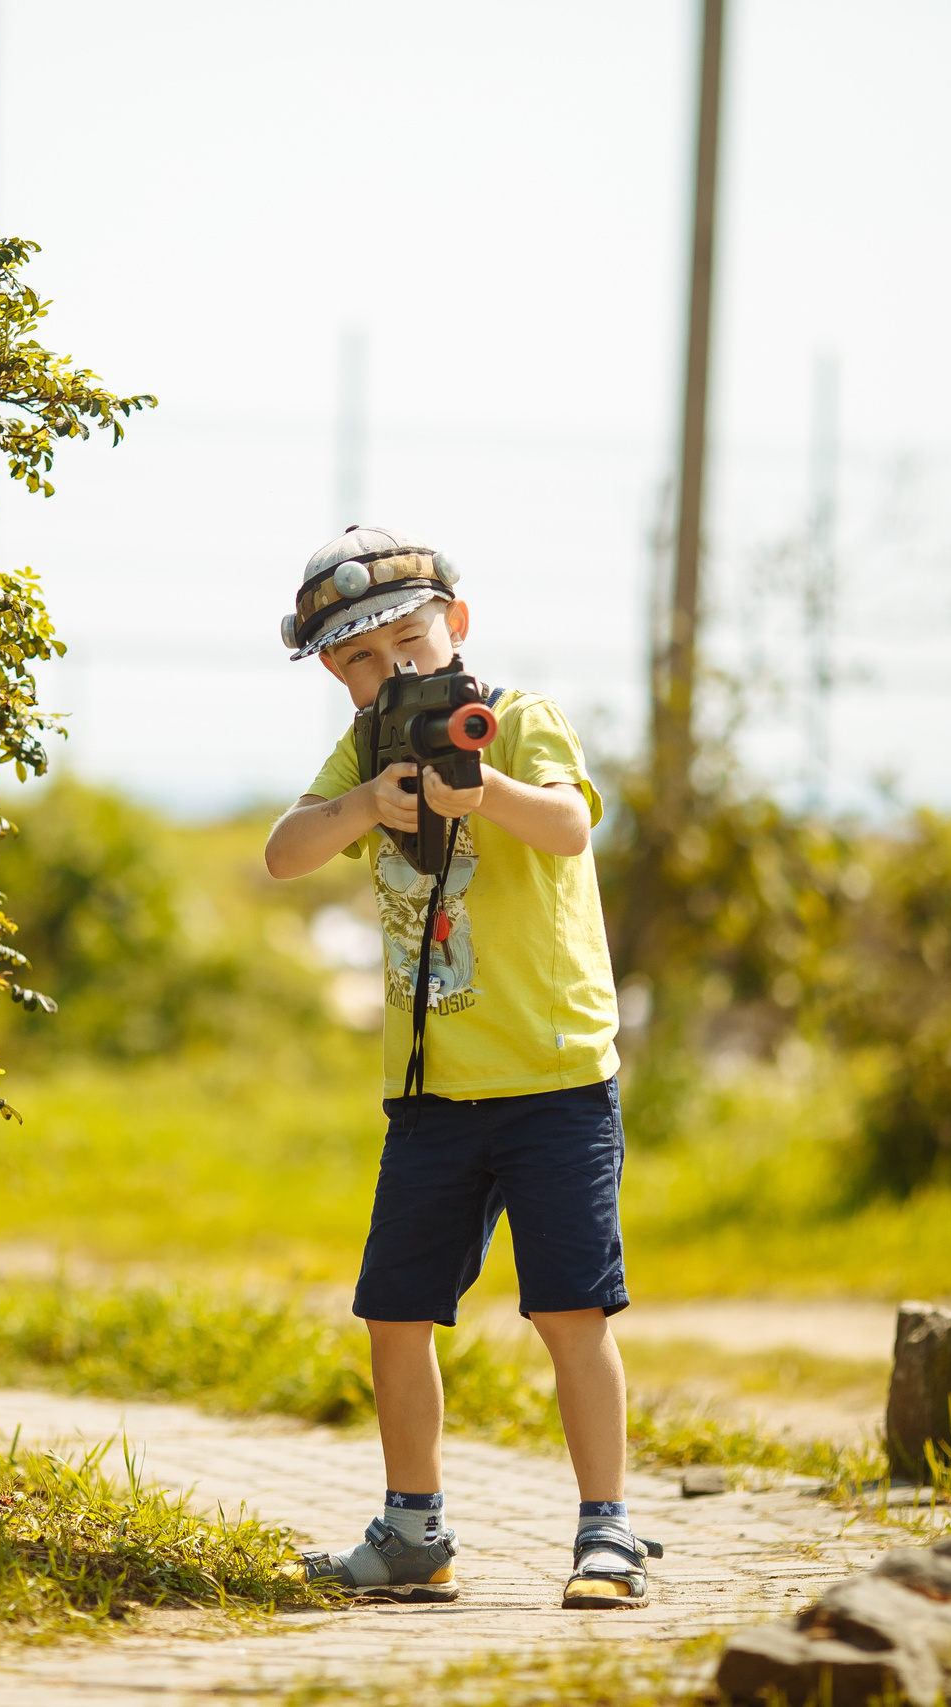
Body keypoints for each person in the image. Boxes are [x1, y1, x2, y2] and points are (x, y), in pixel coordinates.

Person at [263, 526, 649, 1610]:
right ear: (339, 680)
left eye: (410, 641)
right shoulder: (361, 753)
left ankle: (605, 1532)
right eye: (364, 661)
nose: (396, 670)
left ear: (457, 628)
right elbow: (283, 853)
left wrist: (483, 795)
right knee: (395, 1312)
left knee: (572, 1311)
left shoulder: (514, 718)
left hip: (555, 1078)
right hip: (432, 1094)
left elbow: (570, 830)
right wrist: (363, 807)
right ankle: (413, 1530)